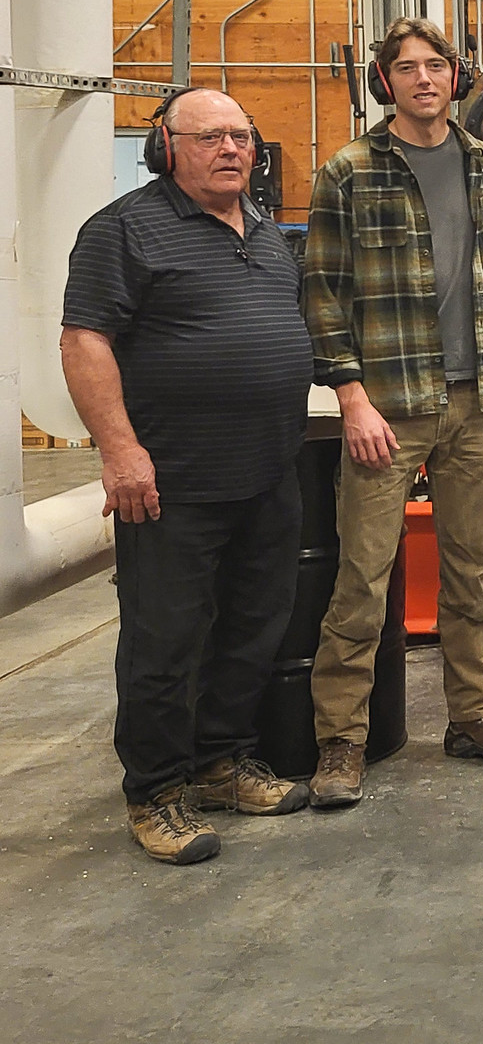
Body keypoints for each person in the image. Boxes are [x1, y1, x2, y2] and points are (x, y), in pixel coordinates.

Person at [61, 87, 314, 864]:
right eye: (209, 138)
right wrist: (119, 451)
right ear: (165, 148)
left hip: (269, 471)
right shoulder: (123, 231)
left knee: (251, 631)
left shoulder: (267, 234)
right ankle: (156, 792)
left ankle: (219, 764)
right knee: (163, 643)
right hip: (171, 482)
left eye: (241, 137)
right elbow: (84, 342)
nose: (231, 150)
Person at [301, 17, 483, 808]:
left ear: (455, 75)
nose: (422, 79)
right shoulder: (349, 171)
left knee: (471, 578)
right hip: (389, 405)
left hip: (477, 399)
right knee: (361, 581)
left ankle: (475, 717)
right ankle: (340, 740)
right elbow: (322, 295)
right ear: (386, 82)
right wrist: (349, 395)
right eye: (404, 67)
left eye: (434, 65)